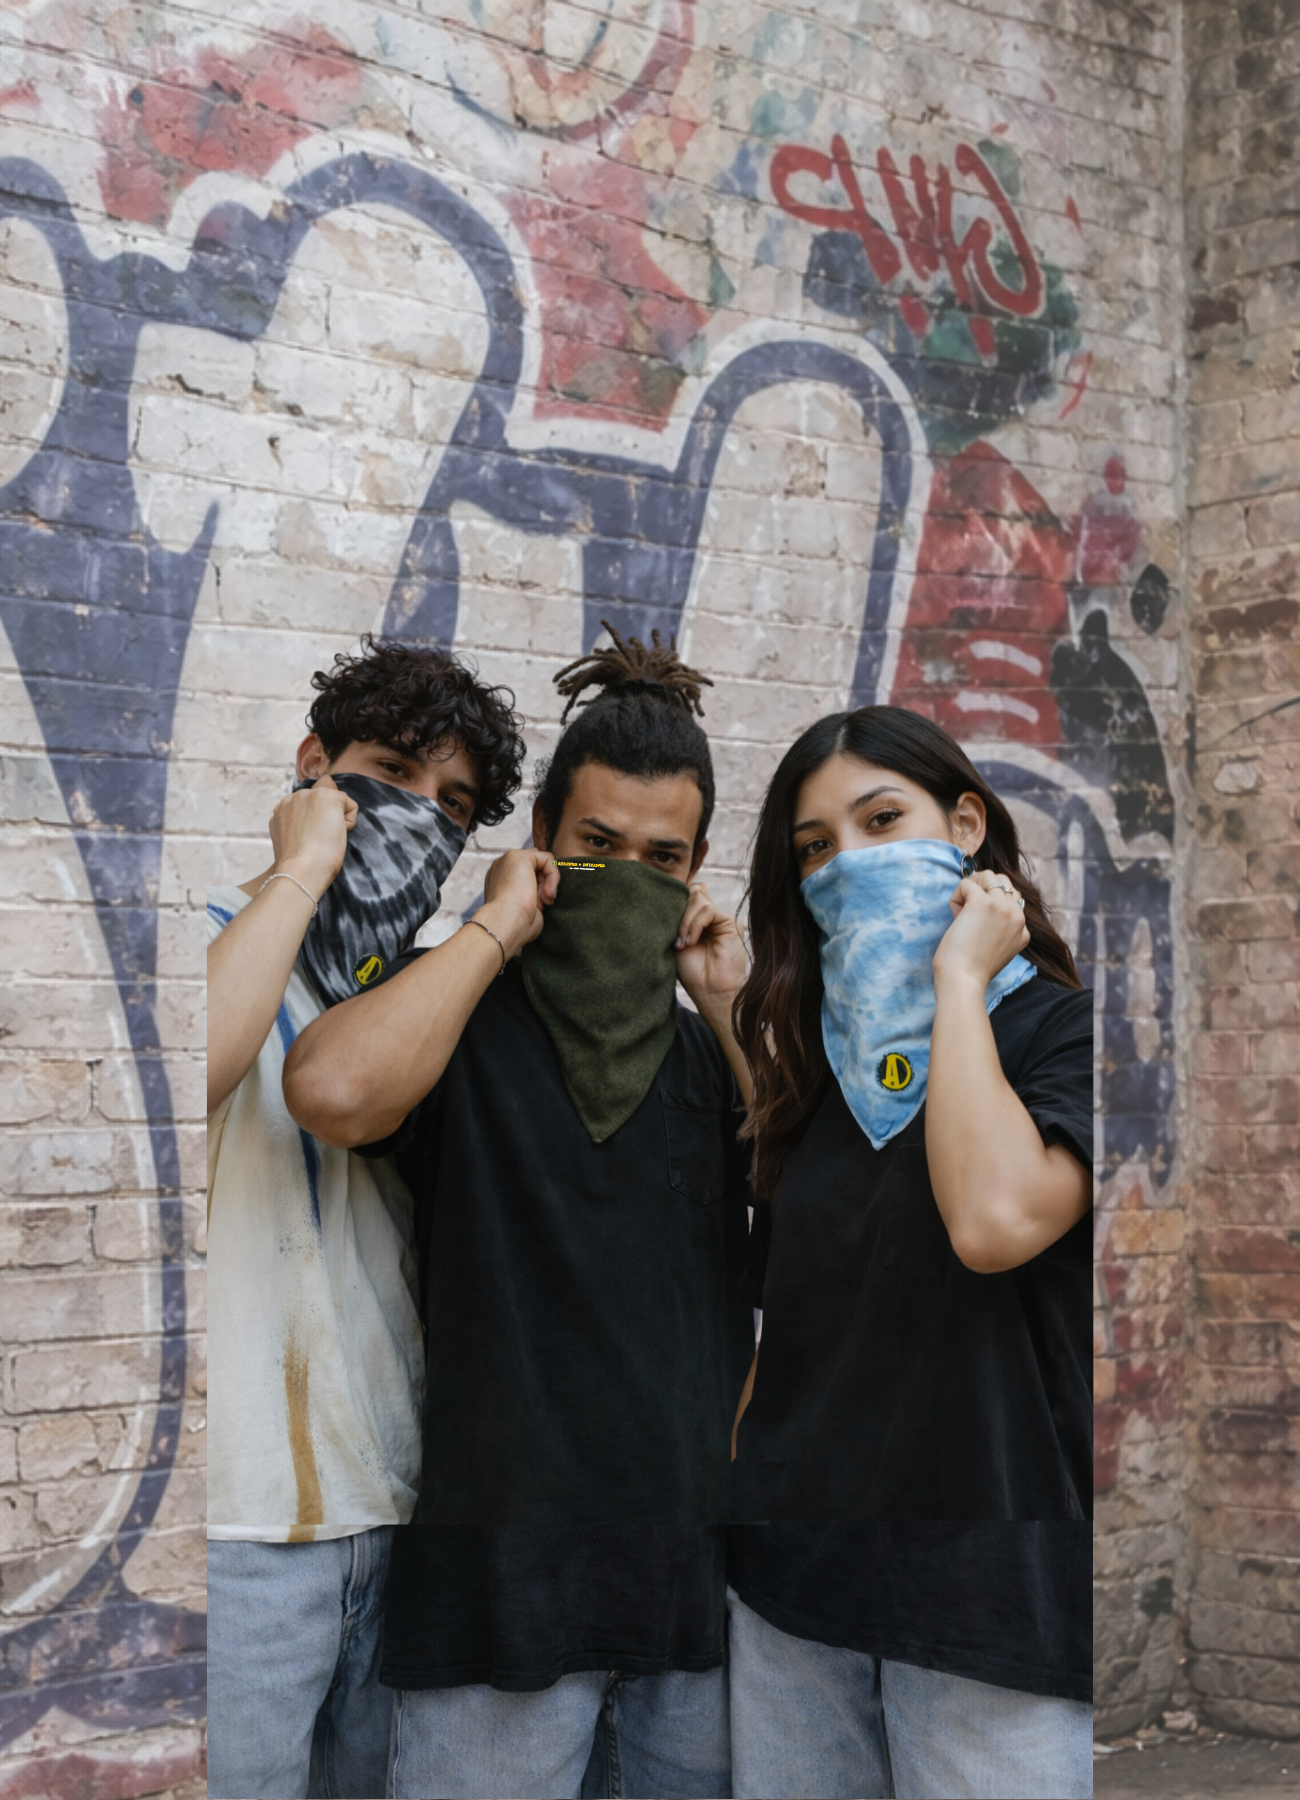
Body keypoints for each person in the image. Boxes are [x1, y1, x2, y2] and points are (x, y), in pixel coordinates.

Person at [283, 624, 756, 1800]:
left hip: (688, 1596)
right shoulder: (458, 1022)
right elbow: (333, 1090)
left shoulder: (708, 1060)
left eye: (660, 857)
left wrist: (727, 1006)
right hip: (492, 1596)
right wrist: (492, 928)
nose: (627, 875)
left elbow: (829, 1211)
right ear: (542, 836)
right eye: (597, 844)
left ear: (697, 868)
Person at [727, 706, 1093, 1800]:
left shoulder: (1064, 1035)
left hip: (989, 1596)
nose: (847, 860)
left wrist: (959, 982)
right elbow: (785, 1329)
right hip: (792, 1587)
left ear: (966, 826)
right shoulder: (818, 1080)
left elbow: (992, 1224)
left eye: (881, 820)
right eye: (815, 847)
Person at [205, 635, 526, 1800]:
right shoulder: (203, 941)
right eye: (391, 772)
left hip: (392, 1518)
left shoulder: (419, 1007)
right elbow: (183, 1071)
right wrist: (300, 869)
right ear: (314, 766)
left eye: (454, 805)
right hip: (238, 1541)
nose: (420, 815)